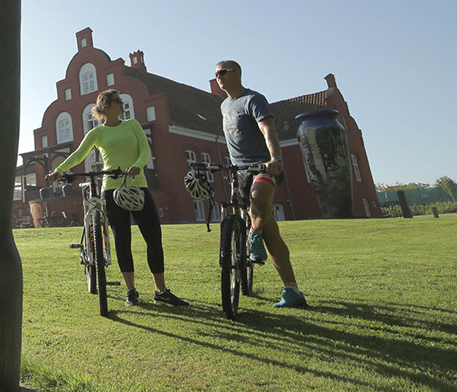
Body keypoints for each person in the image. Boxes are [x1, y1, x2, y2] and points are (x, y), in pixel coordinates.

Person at [49, 89, 188, 307]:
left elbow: (145, 151)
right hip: (112, 190)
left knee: (153, 238)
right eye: (118, 101)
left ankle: (161, 290)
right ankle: (131, 291)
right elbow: (78, 155)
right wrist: (59, 170)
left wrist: (138, 166)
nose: (122, 104)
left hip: (138, 186)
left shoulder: (132, 125)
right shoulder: (97, 133)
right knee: (122, 240)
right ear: (106, 106)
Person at [214, 60, 308, 308]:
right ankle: (293, 291)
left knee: (259, 196)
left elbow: (268, 129)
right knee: (272, 232)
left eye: (222, 72)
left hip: (263, 166)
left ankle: (252, 234)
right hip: (239, 171)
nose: (217, 76)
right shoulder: (224, 105)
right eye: (215, 73)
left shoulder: (253, 99)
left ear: (236, 73)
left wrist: (275, 157)